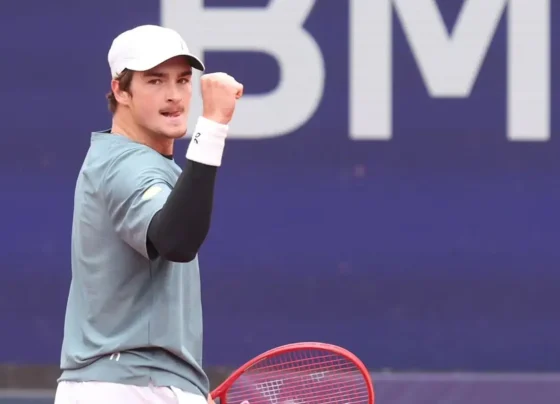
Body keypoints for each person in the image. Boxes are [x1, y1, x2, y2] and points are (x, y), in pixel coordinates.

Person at [54, 24, 243, 404]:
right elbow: (175, 241)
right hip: (130, 385)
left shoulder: (126, 160)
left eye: (182, 80)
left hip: (135, 382)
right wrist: (212, 127)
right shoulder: (127, 165)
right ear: (120, 90)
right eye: (155, 81)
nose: (174, 95)